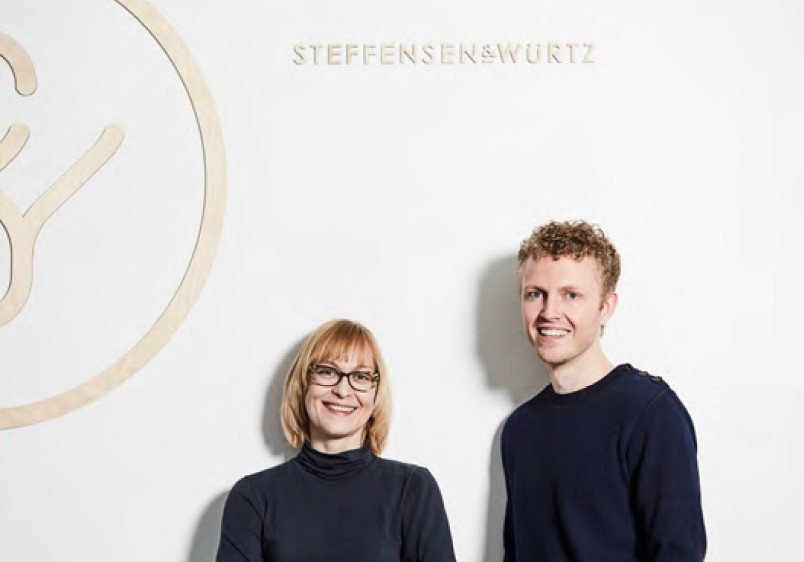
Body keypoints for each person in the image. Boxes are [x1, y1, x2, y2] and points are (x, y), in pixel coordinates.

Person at [501, 220, 706, 561]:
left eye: (571, 295)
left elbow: (679, 553)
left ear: (606, 307)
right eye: (535, 294)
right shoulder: (519, 429)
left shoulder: (650, 413)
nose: (550, 312)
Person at [216, 319, 456, 562]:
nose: (343, 390)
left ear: (375, 393)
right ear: (304, 383)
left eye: (361, 376)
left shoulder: (413, 489)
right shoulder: (253, 497)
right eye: (327, 372)